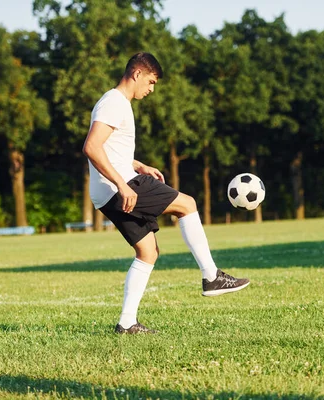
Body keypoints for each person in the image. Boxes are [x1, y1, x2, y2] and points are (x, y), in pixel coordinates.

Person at [82, 52, 250, 334]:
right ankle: (212, 276)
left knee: (147, 252)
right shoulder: (114, 103)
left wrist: (138, 164)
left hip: (104, 194)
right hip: (120, 187)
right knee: (188, 204)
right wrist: (124, 184)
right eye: (150, 82)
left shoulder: (114, 103)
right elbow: (91, 147)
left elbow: (108, 149)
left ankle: (126, 323)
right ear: (136, 74)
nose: (151, 89)